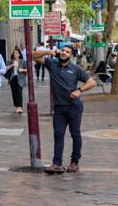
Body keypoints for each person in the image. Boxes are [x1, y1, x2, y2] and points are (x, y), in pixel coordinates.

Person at [33, 42, 97, 173]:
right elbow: (33, 56)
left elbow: (92, 82)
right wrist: (48, 52)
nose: (64, 53)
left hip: (74, 107)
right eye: (63, 50)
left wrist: (79, 90)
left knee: (75, 134)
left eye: (67, 52)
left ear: (72, 55)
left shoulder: (76, 69)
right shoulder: (52, 64)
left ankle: (74, 162)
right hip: (59, 108)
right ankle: (57, 163)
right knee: (58, 134)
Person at [7, 46, 26, 113]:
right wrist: (11, 65)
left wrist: (22, 70)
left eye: (17, 53)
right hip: (13, 78)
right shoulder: (10, 61)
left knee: (19, 92)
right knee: (14, 93)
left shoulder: (23, 61)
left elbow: (28, 69)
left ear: (19, 54)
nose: (15, 54)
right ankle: (16, 106)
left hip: (20, 78)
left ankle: (19, 107)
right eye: (14, 53)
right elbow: (5, 69)